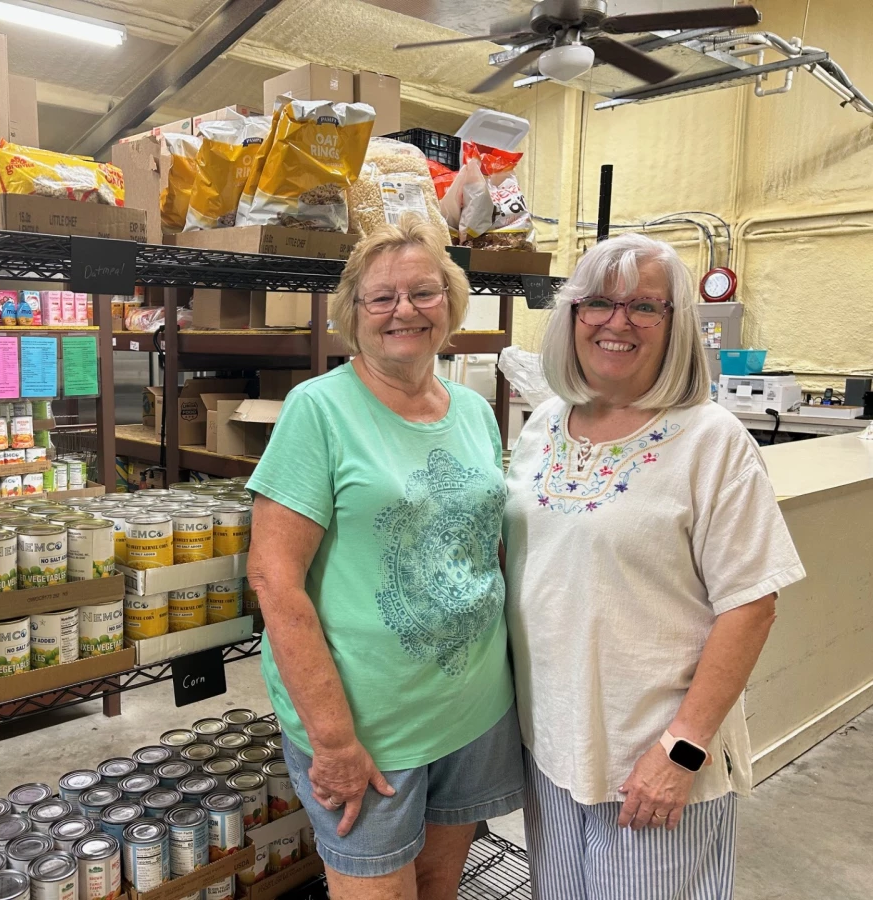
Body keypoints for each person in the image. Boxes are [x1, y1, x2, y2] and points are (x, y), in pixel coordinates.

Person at [503, 233, 805, 899]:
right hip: (551, 749)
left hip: (654, 761)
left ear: (677, 326)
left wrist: (683, 750)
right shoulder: (544, 424)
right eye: (599, 303)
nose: (617, 322)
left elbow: (752, 605)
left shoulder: (712, 442)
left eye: (645, 307)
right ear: (572, 315)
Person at [245, 216, 523, 900]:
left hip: (472, 704)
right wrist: (334, 741)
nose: (404, 310)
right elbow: (274, 579)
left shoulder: (474, 410)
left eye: (424, 293)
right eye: (382, 297)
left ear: (451, 305)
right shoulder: (319, 411)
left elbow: (481, 541)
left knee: (438, 880)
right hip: (367, 722)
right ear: (354, 314)